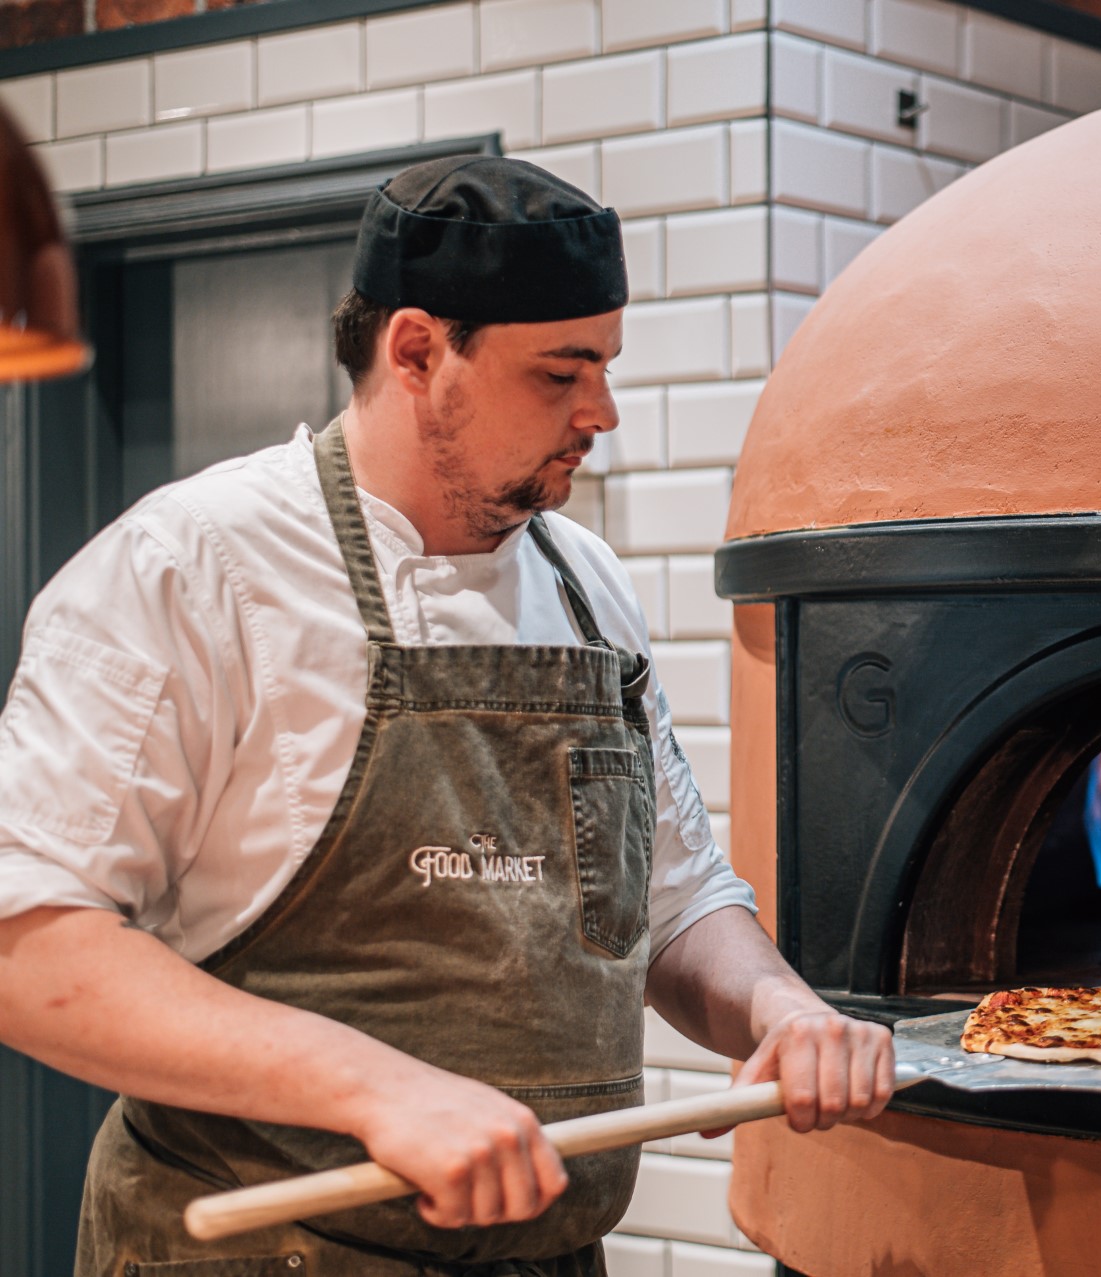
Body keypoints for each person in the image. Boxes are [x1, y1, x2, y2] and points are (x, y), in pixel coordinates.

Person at [0, 157, 894, 1275]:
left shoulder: (588, 587)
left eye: (607, 367)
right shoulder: (192, 568)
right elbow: (29, 945)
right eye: (562, 372)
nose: (600, 413)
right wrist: (379, 1088)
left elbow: (673, 896)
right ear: (417, 349)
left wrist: (777, 1008)